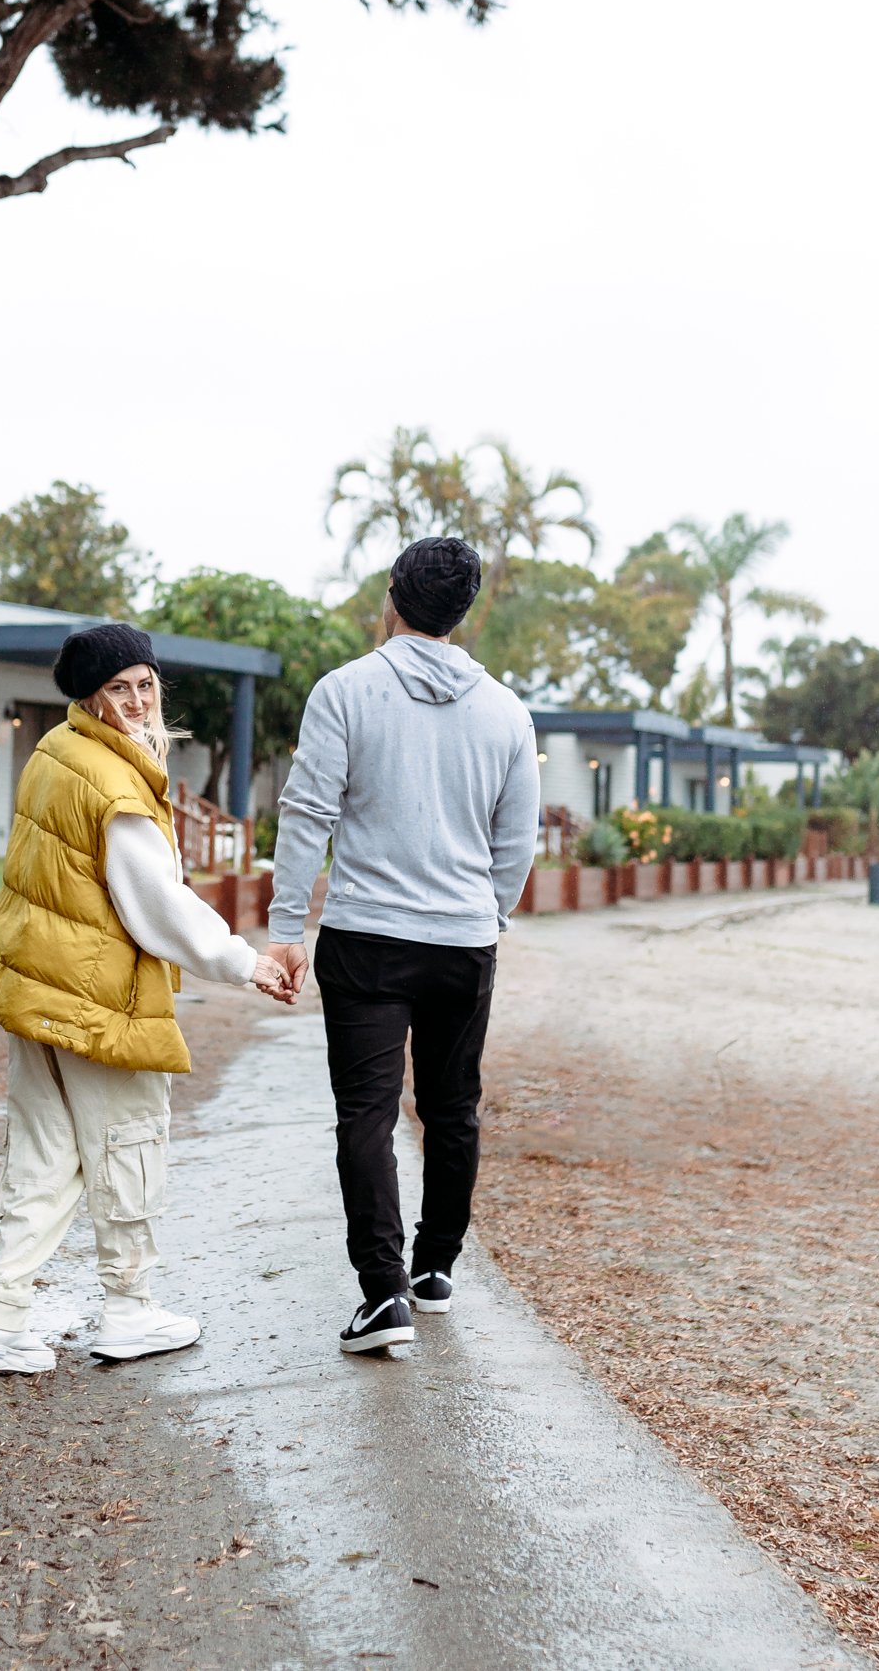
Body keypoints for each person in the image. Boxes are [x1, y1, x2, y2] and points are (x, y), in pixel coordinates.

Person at [0, 623, 296, 1376]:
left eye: (145, 684)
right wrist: (245, 964)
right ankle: (129, 1309)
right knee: (129, 1145)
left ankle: (0, 1318)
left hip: (37, 986)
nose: (138, 700)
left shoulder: (53, 752)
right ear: (90, 696)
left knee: (43, 1155)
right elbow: (157, 904)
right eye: (120, 688)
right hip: (95, 993)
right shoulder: (114, 784)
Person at [266, 537, 540, 1354]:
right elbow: (515, 839)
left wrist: (285, 930)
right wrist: (483, 913)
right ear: (461, 612)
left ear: (392, 597)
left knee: (367, 1114)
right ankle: (434, 1270)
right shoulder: (507, 712)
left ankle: (383, 1295)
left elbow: (306, 814)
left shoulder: (343, 692)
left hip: (366, 939)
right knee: (452, 1109)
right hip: (462, 943)